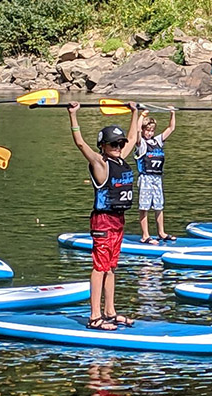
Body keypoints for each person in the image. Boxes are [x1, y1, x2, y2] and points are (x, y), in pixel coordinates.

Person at [66, 101, 140, 331]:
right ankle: (94, 316)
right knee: (100, 267)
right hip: (103, 220)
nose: (118, 146)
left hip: (118, 220)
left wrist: (135, 113)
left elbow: (134, 138)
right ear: (103, 146)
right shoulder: (100, 163)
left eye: (119, 143)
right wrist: (73, 114)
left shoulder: (120, 158)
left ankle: (110, 311)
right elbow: (79, 143)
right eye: (113, 144)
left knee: (111, 267)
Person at [132, 108, 177, 244]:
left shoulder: (158, 141)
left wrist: (172, 113)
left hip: (157, 178)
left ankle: (161, 233)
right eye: (147, 130)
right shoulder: (141, 143)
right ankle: (145, 235)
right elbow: (137, 131)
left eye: (152, 130)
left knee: (159, 206)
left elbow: (171, 128)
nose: (149, 133)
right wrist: (142, 115)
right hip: (146, 178)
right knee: (144, 207)